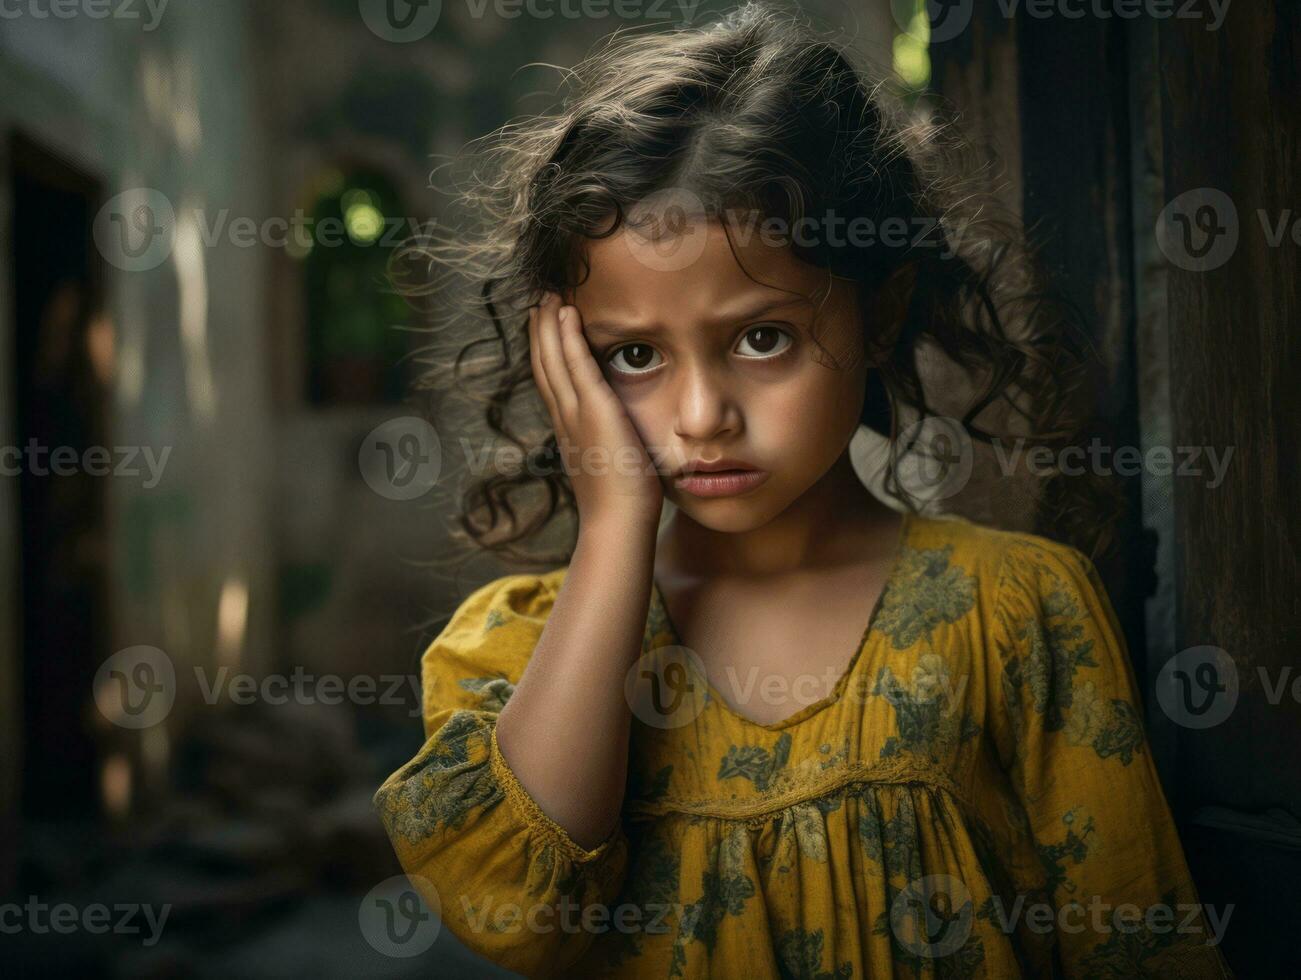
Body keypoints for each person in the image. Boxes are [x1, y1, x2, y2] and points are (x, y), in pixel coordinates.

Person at [373, 5, 1233, 976]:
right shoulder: (516, 650)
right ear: (564, 360)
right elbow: (516, 910)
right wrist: (614, 524)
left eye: (760, 337)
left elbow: (1140, 950)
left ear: (881, 312)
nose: (701, 414)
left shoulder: (1014, 610)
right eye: (634, 354)